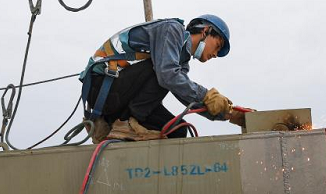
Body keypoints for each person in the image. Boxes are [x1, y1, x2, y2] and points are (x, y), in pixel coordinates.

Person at [80, 14, 246, 142]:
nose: (216, 54)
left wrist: (226, 114)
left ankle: (126, 127)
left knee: (178, 131)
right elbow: (168, 76)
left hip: (123, 98)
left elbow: (183, 93)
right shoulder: (172, 30)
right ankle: (126, 123)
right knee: (167, 72)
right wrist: (206, 95)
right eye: (217, 46)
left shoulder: (181, 61)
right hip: (104, 88)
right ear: (206, 31)